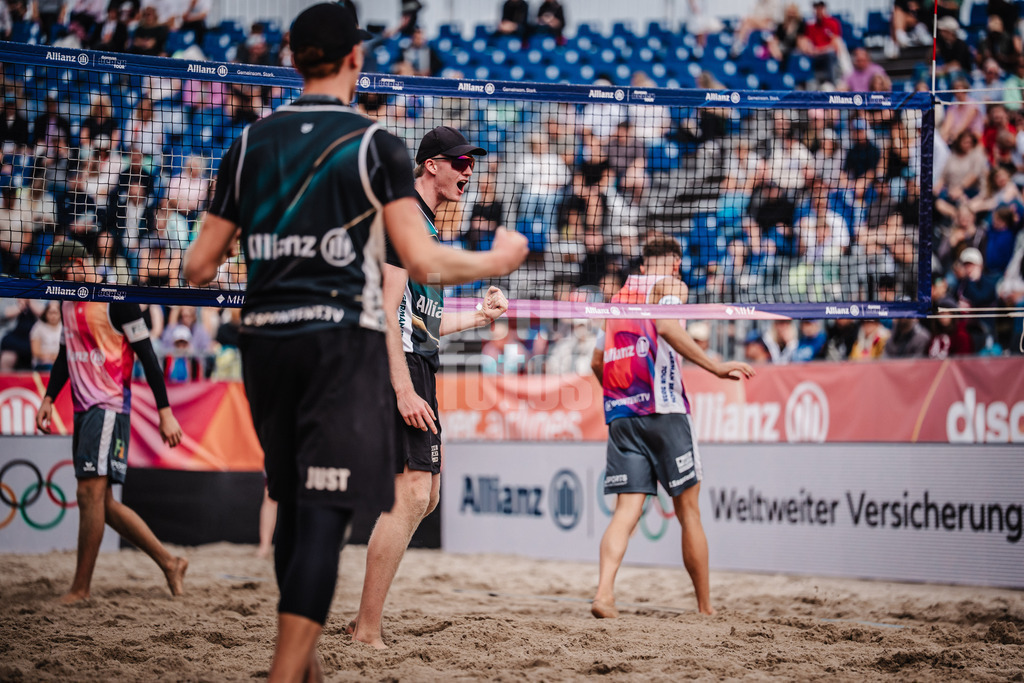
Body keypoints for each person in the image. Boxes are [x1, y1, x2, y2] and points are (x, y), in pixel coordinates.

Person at [180, 4, 528, 681]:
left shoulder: (251, 143)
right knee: (329, 517)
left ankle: (301, 662)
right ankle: (304, 663)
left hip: (264, 341)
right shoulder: (374, 146)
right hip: (336, 346)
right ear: (354, 61)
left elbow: (197, 266)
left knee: (296, 505)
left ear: (293, 56)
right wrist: (498, 259)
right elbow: (419, 262)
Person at [350, 126, 510, 650]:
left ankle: (363, 621)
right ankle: (366, 628)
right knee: (413, 492)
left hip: (418, 358)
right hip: (400, 367)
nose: (469, 172)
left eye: (472, 163)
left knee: (427, 495)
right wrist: (401, 388)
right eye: (461, 162)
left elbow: (420, 321)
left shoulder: (424, 229)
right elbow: (383, 312)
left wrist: (478, 319)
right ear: (431, 164)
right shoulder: (405, 222)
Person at [589, 236, 755, 619]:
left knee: (626, 512)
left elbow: (597, 362)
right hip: (664, 411)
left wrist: (620, 395)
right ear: (676, 264)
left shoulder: (618, 301)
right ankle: (705, 607)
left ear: (643, 266)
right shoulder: (673, 286)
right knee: (689, 513)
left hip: (622, 414)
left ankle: (603, 595)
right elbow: (665, 326)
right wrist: (714, 366)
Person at [34, 239, 186, 604]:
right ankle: (170, 562)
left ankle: (81, 589)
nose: (54, 280)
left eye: (57, 274)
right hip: (84, 408)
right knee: (101, 501)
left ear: (74, 265)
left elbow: (149, 356)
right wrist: (49, 397)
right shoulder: (66, 299)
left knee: (89, 494)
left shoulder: (117, 299)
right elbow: (64, 354)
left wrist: (165, 412)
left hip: (110, 405)